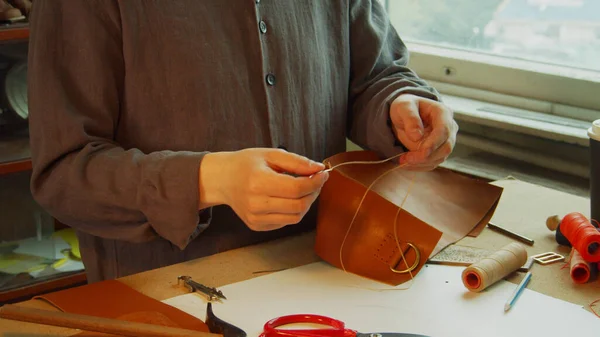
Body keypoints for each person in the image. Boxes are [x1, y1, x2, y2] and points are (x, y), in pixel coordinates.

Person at [25, 1, 458, 282]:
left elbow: (374, 76)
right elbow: (64, 170)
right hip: (168, 296)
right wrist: (209, 180)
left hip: (328, 275)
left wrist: (402, 106)